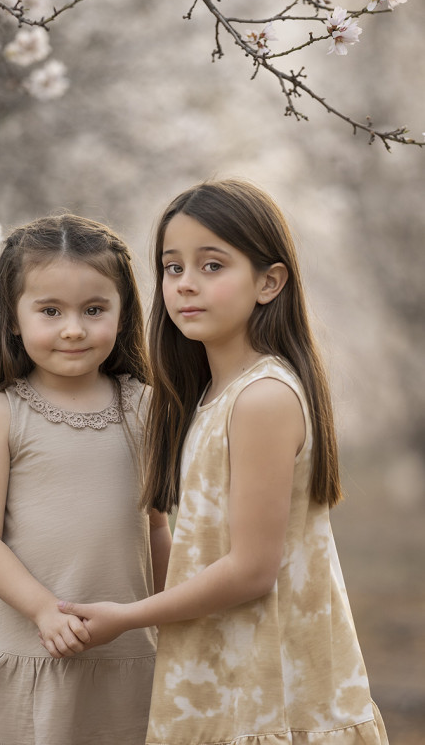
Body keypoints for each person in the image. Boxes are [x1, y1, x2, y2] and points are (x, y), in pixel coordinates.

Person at [59, 180, 389, 745]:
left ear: (269, 281)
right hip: (219, 683)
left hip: (271, 696)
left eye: (212, 266)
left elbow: (252, 569)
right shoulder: (210, 396)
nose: (186, 283)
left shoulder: (263, 398)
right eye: (172, 267)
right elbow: (201, 547)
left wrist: (127, 617)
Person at [0, 213, 172, 745]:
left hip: (129, 654)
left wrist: (171, 619)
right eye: (50, 311)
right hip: (34, 645)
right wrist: (43, 610)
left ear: (122, 315)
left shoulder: (145, 407)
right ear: (13, 316)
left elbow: (156, 530)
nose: (73, 328)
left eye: (94, 310)